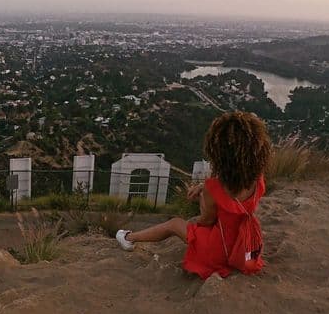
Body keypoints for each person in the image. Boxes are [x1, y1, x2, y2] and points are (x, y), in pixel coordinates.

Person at [115, 111, 271, 279]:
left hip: (218, 250)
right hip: (246, 244)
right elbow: (233, 195)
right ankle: (128, 237)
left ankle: (128, 238)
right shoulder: (258, 179)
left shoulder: (214, 188)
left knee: (174, 224)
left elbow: (206, 222)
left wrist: (204, 197)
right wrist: (205, 187)